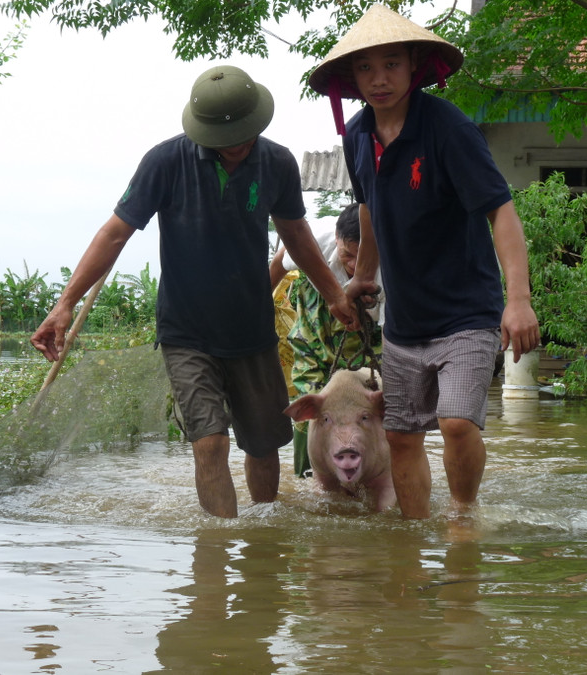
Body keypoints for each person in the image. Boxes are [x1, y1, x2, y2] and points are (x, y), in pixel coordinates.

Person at [31, 65, 360, 519]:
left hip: (251, 329)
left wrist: (334, 294)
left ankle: (262, 545)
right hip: (187, 332)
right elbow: (113, 234)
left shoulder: (277, 162)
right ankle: (218, 550)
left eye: (245, 135)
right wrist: (64, 305)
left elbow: (297, 235)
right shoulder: (166, 162)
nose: (236, 145)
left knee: (264, 445)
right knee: (210, 442)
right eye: (224, 139)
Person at [308, 5, 541, 519]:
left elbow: (500, 211)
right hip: (404, 319)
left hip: (466, 309)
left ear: (415, 65)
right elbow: (368, 207)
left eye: (391, 64)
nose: (379, 79)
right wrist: (363, 276)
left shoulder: (448, 128)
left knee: (457, 423)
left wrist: (518, 300)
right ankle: (412, 534)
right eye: (366, 69)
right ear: (352, 78)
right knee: (401, 434)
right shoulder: (358, 138)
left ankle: (463, 517)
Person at [269, 203, 384, 477]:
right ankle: (306, 476)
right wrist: (256, 310)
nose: (354, 265)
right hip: (316, 319)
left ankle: (382, 475)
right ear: (336, 238)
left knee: (379, 400)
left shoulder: (392, 258)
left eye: (361, 256)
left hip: (371, 332)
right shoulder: (315, 239)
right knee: (309, 393)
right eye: (347, 254)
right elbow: (277, 265)